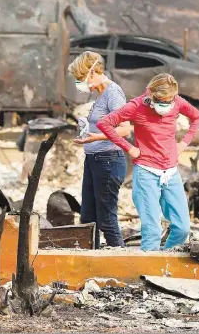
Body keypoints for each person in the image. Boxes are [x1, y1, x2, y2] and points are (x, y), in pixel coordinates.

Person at [97, 73, 199, 251]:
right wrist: (130, 148)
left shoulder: (177, 102)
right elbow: (105, 123)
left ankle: (168, 260)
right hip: (146, 172)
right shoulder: (136, 106)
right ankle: (149, 269)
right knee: (152, 230)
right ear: (151, 93)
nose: (166, 104)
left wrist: (183, 143)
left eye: (170, 100)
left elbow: (197, 117)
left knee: (183, 228)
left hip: (170, 172)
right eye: (162, 100)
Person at [68, 51, 131, 249]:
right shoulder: (100, 94)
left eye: (81, 79)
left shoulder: (113, 93)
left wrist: (96, 137)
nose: (80, 84)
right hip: (94, 159)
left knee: (107, 219)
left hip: (108, 160)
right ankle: (91, 259)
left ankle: (121, 262)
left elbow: (124, 129)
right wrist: (87, 127)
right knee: (88, 217)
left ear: (93, 73)